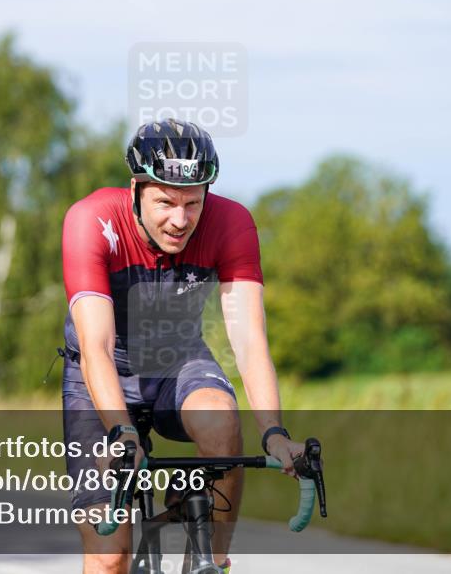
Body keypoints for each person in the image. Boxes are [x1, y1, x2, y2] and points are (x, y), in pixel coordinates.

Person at [61, 119, 301, 574]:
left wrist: (274, 433)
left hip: (177, 361)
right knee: (109, 557)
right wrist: (121, 432)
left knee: (221, 421)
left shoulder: (231, 223)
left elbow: (249, 340)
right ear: (135, 189)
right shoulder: (91, 220)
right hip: (102, 371)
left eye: (193, 203)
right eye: (165, 202)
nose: (180, 219)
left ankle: (210, 561)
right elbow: (97, 345)